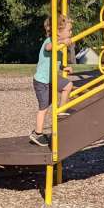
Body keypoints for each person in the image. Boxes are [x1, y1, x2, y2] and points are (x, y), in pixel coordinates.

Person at [30, 15, 75, 147]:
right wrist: (61, 42)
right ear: (58, 32)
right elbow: (48, 48)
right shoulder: (50, 41)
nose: (71, 33)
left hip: (51, 78)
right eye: (69, 30)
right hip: (42, 81)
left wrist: (64, 67)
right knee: (43, 107)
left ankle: (61, 111)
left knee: (68, 85)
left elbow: (57, 60)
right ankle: (37, 133)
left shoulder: (60, 47)